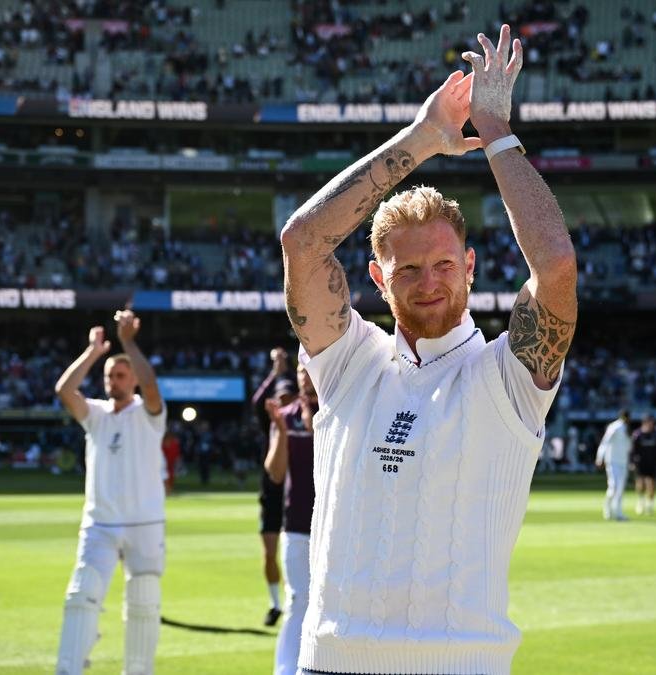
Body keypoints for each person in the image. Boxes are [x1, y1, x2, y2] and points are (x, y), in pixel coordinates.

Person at [279, 25, 577, 674]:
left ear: (469, 266)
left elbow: (555, 265)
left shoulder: (506, 377)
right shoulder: (349, 362)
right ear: (378, 279)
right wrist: (423, 139)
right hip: (329, 661)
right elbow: (302, 241)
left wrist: (495, 131)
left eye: (444, 264)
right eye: (408, 269)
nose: (429, 282)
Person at [54, 310, 167, 675]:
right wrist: (93, 352)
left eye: (120, 375)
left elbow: (152, 388)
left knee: (144, 602)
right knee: (81, 595)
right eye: (109, 376)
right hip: (100, 523)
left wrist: (128, 343)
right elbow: (64, 391)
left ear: (132, 379)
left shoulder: (149, 413)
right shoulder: (97, 414)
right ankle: (68, 670)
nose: (113, 381)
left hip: (144, 522)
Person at [263, 364, 318, 675]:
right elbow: (275, 472)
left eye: (309, 367)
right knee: (298, 601)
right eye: (300, 369)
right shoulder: (284, 416)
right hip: (297, 523)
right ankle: (286, 670)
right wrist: (282, 433)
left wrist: (314, 423)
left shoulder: (340, 407)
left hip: (337, 524)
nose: (304, 374)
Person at [250, 346, 294, 626]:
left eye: (287, 396)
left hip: (297, 491)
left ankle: (295, 599)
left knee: (299, 551)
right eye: (279, 397)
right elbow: (257, 401)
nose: (283, 401)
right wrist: (275, 374)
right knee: (269, 551)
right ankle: (275, 603)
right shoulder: (270, 422)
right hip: (271, 490)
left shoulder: (304, 418)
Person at [595, 411, 632, 521]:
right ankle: (607, 509)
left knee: (620, 488)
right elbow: (605, 442)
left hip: (623, 462)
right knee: (613, 486)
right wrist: (599, 457)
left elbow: (628, 446)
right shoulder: (614, 427)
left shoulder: (627, 429)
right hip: (612, 461)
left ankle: (618, 512)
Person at [631, 414, 656, 515]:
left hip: (653, 462)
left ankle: (650, 505)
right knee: (640, 483)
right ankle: (640, 502)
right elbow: (632, 450)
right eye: (649, 422)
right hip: (640, 463)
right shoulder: (637, 434)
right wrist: (632, 462)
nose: (651, 424)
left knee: (652, 484)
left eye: (652, 422)